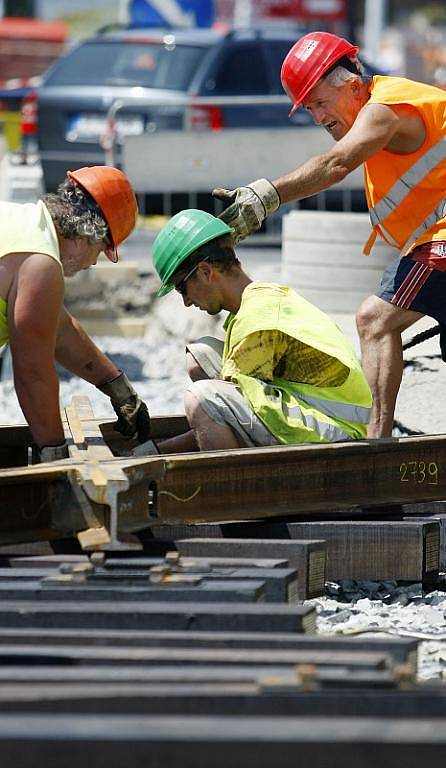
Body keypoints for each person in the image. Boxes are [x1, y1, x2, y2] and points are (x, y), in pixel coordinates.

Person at [212, 31, 446, 438]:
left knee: (374, 320)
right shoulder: (380, 108)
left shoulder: (384, 108)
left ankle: (377, 446)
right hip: (434, 240)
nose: (318, 118)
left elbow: (337, 164)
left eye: (321, 103)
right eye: (308, 108)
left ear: (353, 85)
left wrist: (267, 197)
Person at [147, 208, 371, 454]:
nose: (186, 302)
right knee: (200, 356)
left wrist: (156, 451)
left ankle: (229, 485)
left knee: (201, 398)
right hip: (318, 410)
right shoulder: (258, 299)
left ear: (205, 272)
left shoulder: (257, 321)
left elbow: (212, 407)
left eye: (182, 288)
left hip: (337, 429)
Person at [0, 165, 150, 462]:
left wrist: (118, 389)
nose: (94, 263)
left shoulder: (23, 223)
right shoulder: (40, 264)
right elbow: (33, 373)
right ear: (86, 236)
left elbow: (59, 329)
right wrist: (56, 457)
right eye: (100, 251)